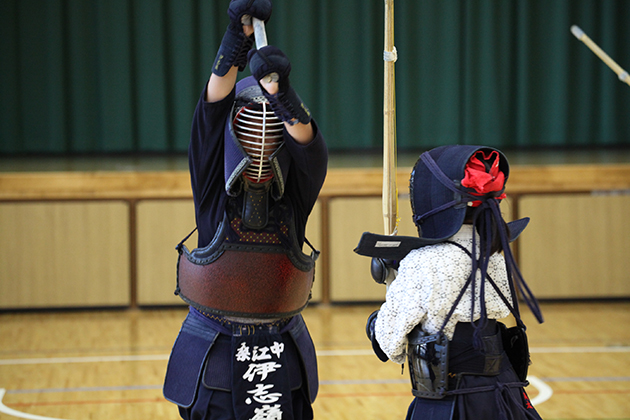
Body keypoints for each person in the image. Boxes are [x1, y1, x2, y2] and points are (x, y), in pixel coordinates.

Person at [163, 1, 328, 419]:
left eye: (270, 124)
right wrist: (235, 39)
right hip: (215, 357)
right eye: (248, 123)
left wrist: (282, 94)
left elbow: (309, 148)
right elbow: (211, 111)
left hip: (282, 359)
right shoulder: (212, 191)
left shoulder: (294, 198)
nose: (260, 135)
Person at [359, 145, 544, 420]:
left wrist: (379, 315)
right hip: (505, 392)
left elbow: (389, 344)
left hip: (452, 400)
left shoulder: (424, 262)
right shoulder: (494, 251)